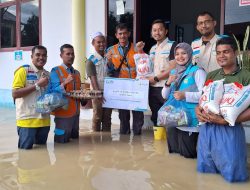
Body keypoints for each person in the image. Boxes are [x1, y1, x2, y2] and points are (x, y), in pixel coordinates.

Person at [195, 37, 250, 182]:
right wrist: (197, 110)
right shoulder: (212, 75)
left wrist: (225, 121)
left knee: (233, 174)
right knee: (206, 172)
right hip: (206, 130)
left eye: (226, 52)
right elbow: (203, 100)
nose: (221, 56)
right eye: (218, 52)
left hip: (230, 130)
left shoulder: (246, 76)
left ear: (236, 53)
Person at [161, 42, 206, 158]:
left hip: (189, 120)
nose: (180, 57)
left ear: (190, 54)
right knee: (174, 153)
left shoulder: (198, 71)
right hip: (173, 118)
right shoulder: (173, 72)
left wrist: (185, 95)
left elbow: (205, 94)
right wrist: (167, 83)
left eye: (183, 53)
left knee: (187, 155)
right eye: (177, 54)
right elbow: (165, 95)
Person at [106, 23, 144, 135]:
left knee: (138, 114)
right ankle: (124, 138)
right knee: (123, 116)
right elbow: (109, 71)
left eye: (125, 33)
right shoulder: (110, 50)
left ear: (129, 34)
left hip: (136, 85)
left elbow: (144, 66)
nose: (122, 36)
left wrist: (141, 51)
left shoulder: (137, 48)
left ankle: (137, 138)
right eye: (120, 34)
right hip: (121, 87)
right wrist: (108, 61)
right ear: (116, 35)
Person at [12, 45, 50, 149]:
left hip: (45, 120)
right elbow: (15, 93)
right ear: (32, 56)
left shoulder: (47, 74)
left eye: (44, 55)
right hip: (27, 121)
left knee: (42, 154)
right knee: (25, 155)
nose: (41, 58)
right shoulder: (23, 71)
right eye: (38, 55)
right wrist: (37, 85)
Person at [49, 44, 81, 143]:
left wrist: (85, 97)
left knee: (75, 145)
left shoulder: (77, 73)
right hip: (62, 116)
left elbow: (78, 92)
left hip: (76, 114)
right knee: (61, 144)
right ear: (61, 55)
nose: (71, 56)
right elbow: (53, 91)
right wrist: (65, 82)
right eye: (68, 54)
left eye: (72, 54)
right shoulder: (55, 71)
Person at [147, 19, 177, 126]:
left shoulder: (173, 46)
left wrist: (155, 79)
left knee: (168, 117)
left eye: (160, 29)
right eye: (154, 30)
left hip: (166, 88)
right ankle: (158, 141)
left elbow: (173, 69)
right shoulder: (152, 49)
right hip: (152, 89)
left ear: (166, 31)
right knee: (156, 117)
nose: (157, 32)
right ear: (151, 33)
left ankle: (167, 142)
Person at [86, 32, 112, 132]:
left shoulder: (107, 58)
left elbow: (111, 73)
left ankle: (106, 140)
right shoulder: (91, 60)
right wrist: (98, 93)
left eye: (103, 42)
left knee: (107, 118)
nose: (101, 44)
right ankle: (95, 139)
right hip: (97, 92)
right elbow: (93, 79)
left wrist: (110, 63)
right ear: (93, 43)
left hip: (109, 92)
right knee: (97, 117)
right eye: (98, 42)